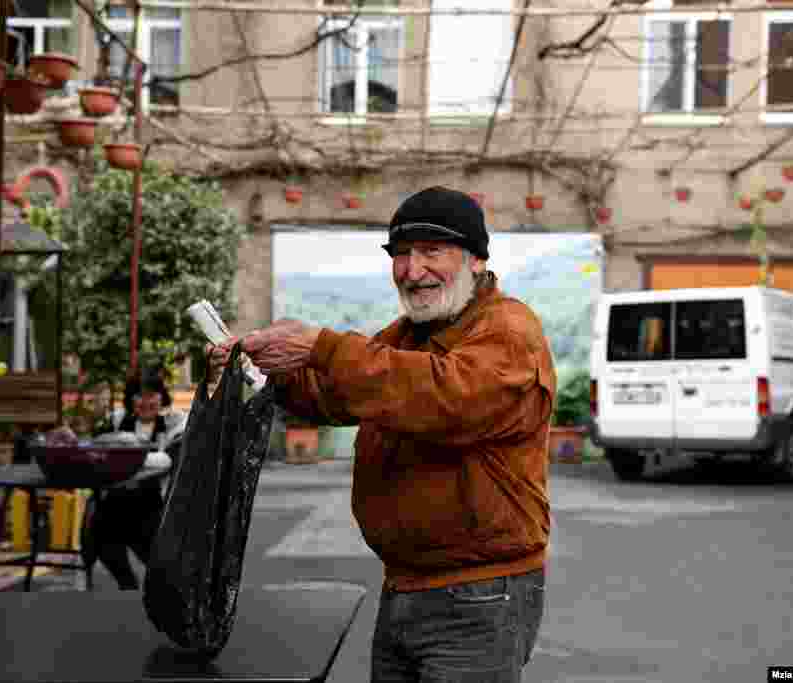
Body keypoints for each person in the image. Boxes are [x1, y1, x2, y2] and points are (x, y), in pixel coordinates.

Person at [208, 186, 555, 682]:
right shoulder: (410, 334)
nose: (413, 271)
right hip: (405, 587)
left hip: (479, 597)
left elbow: (446, 397)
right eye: (402, 255)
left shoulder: (508, 331)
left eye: (432, 251)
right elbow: (337, 394)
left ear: (476, 259)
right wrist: (266, 371)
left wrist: (323, 347)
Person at [89, 366, 176, 590]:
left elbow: (168, 460)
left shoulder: (172, 425)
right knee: (101, 539)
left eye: (151, 395)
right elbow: (97, 451)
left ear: (161, 397)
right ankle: (128, 586)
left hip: (149, 508)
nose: (145, 402)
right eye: (139, 395)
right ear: (131, 399)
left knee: (159, 567)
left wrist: (125, 455)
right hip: (114, 505)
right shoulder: (116, 421)